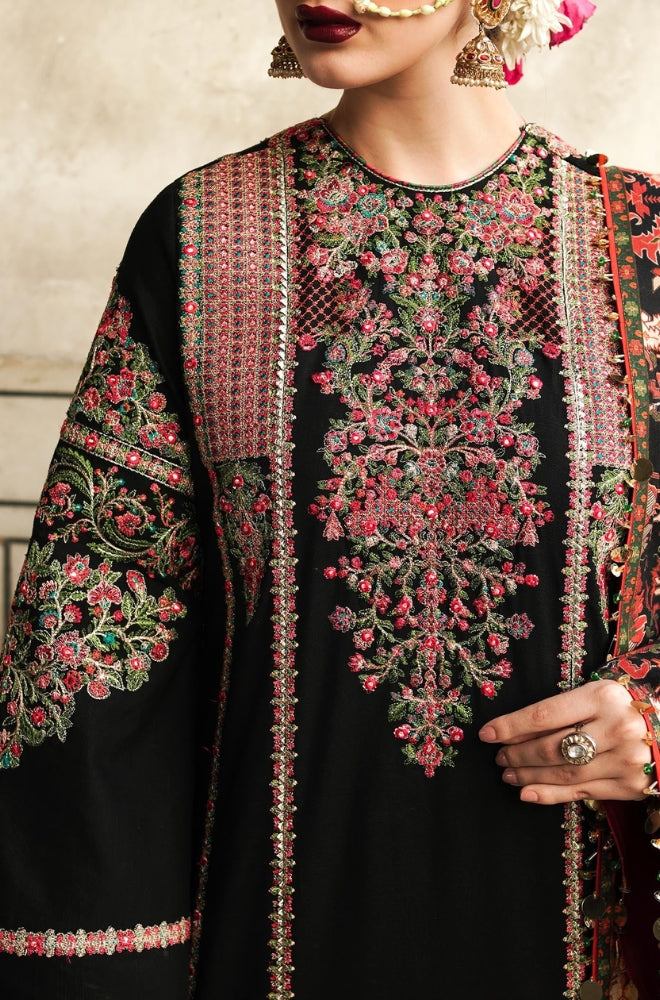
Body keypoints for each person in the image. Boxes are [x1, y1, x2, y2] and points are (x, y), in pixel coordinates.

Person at [1, 0, 659, 997]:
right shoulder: (203, 234)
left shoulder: (638, 247)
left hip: (576, 937)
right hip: (270, 938)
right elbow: (92, 637)